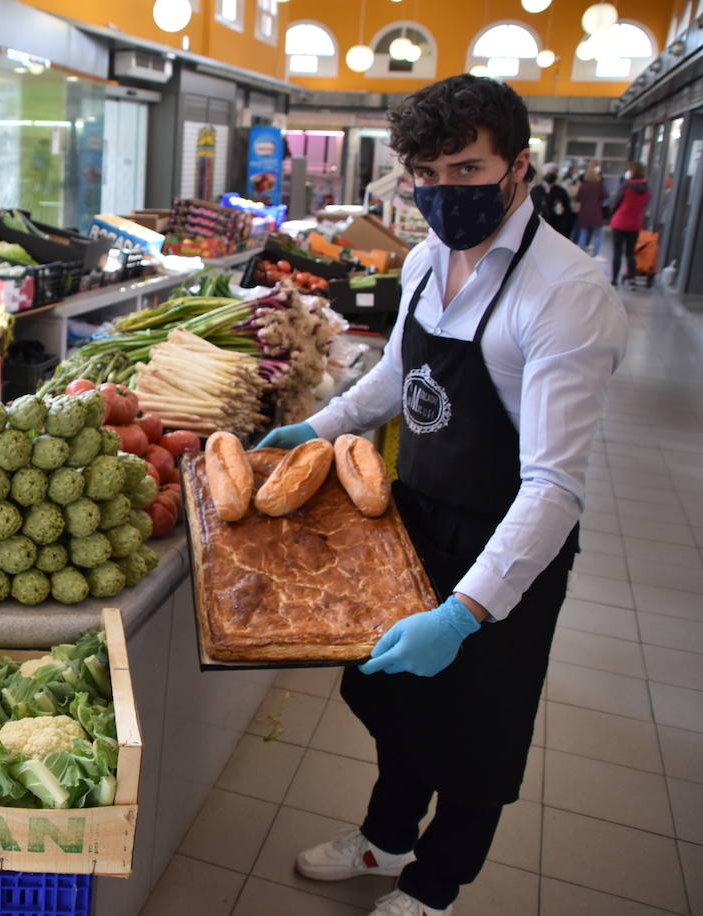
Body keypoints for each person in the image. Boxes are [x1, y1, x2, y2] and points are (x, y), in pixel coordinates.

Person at [259, 74, 627, 916]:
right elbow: (396, 377)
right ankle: (385, 840)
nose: (442, 191)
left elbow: (555, 486)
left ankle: (433, 886)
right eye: (426, 173)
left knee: (477, 735)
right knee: (405, 709)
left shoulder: (566, 296)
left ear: (518, 166)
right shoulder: (427, 259)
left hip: (506, 550)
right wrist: (318, 428)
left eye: (465, 169)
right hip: (417, 520)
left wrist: (465, 613)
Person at [609, 162, 650, 286]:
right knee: (630, 253)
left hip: (620, 222)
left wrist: (611, 213)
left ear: (632, 172)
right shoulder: (646, 189)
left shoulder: (626, 186)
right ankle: (632, 279)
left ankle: (614, 280)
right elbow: (644, 205)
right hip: (635, 224)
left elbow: (615, 202)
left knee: (617, 252)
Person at [574, 166, 607, 256]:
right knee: (599, 234)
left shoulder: (583, 186)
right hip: (596, 213)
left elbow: (578, 198)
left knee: (583, 233)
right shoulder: (599, 185)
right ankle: (595, 253)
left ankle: (581, 252)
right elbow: (606, 195)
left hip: (584, 212)